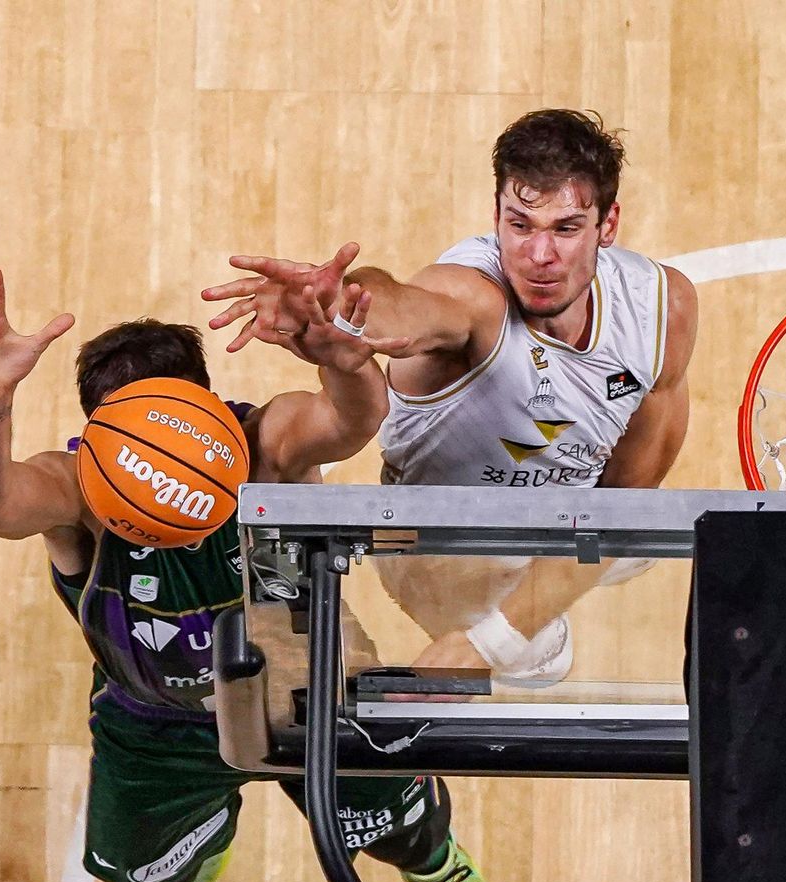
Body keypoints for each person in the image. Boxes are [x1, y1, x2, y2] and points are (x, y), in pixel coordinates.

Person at [0, 267, 492, 882]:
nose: (158, 458)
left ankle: (435, 871)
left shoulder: (268, 445)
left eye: (172, 426)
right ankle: (210, 822)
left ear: (210, 409)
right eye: (131, 438)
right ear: (97, 437)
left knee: (405, 831)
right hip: (161, 729)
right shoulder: (80, 490)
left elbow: (351, 419)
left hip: (311, 695)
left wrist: (346, 364)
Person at [200, 108, 698, 686]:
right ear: (495, 217)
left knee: (649, 548)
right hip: (446, 556)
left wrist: (521, 614)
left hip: (571, 513)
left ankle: (544, 602)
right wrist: (342, 305)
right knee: (537, 664)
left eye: (566, 229)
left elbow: (628, 499)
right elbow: (402, 303)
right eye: (519, 225)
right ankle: (530, 633)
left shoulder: (662, 307)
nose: (539, 255)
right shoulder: (472, 296)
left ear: (608, 225)